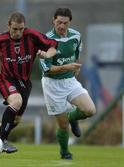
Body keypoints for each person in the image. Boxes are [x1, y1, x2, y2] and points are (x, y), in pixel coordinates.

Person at [0, 12, 57, 154]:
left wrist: (46, 54)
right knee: (16, 102)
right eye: (15, 29)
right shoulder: (2, 39)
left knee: (16, 120)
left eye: (21, 29)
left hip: (25, 83)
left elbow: (53, 46)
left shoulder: (32, 36)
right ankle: (3, 140)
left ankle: (1, 129)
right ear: (9, 27)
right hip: (6, 79)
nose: (18, 32)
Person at [40, 8, 96, 160]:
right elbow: (47, 70)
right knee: (63, 126)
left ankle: (72, 117)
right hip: (52, 85)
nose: (62, 26)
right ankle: (65, 153)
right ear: (53, 21)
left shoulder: (76, 35)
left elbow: (76, 54)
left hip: (70, 81)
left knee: (90, 110)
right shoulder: (46, 39)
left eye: (65, 23)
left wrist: (75, 66)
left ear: (69, 22)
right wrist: (67, 67)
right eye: (59, 22)